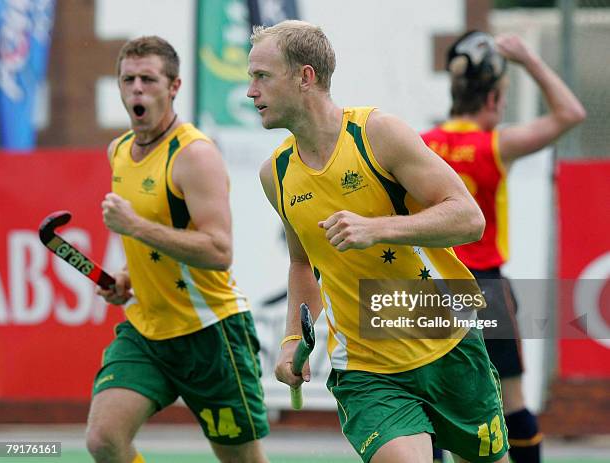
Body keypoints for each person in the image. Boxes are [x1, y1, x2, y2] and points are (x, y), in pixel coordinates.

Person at [248, 20, 511, 463]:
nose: (251, 91)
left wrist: (377, 228)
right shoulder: (275, 174)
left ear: (305, 77)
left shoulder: (376, 133)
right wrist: (294, 335)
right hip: (367, 369)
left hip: (448, 342)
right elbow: (301, 264)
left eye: (262, 76)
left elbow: (469, 218)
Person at [85, 36, 270, 463]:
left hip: (210, 333)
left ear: (173, 87)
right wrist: (129, 280)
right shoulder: (118, 151)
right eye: (127, 79)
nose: (136, 89)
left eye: (148, 79)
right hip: (147, 331)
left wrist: (136, 226)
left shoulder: (195, 155)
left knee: (241, 459)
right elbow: (154, 242)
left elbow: (218, 250)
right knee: (103, 440)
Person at [421, 31, 586, 463]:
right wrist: (529, 59)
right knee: (511, 402)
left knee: (424, 401)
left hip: (424, 286)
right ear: (493, 98)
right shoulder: (495, 145)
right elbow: (571, 113)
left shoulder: (420, 145)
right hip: (484, 289)